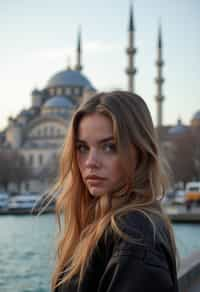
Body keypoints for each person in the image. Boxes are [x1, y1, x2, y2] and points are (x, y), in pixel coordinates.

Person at [50, 91, 179, 292]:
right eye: (82, 148)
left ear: (140, 152)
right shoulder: (107, 225)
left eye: (109, 147)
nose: (91, 162)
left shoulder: (134, 235)